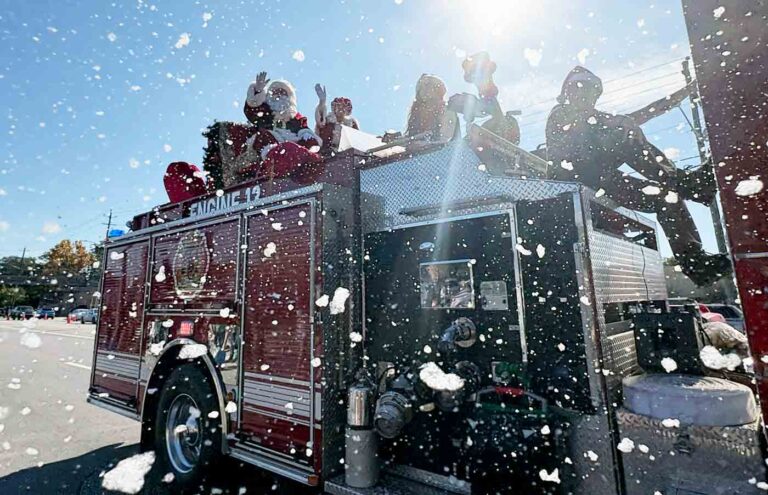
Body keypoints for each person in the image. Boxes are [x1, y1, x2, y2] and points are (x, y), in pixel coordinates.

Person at [546, 66, 730, 286]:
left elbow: (635, 118)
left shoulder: (603, 123)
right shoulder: (560, 114)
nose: (587, 97)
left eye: (592, 92)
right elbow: (620, 123)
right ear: (569, 93)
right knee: (623, 131)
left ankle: (696, 262)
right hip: (571, 184)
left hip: (601, 180)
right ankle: (687, 183)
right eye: (581, 90)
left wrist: (681, 95)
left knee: (666, 197)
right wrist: (628, 123)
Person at [242, 71, 323, 179]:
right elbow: (252, 111)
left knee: (308, 138)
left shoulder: (295, 118)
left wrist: (306, 134)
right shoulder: (266, 112)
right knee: (263, 137)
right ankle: (273, 157)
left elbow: (304, 128)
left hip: (295, 146)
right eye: (275, 93)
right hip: (274, 142)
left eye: (282, 93)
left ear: (289, 97)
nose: (278, 96)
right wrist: (258, 91)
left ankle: (309, 158)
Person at [404, 74, 459, 142]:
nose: (423, 89)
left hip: (441, 151)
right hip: (420, 152)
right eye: (420, 86)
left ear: (438, 88)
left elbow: (445, 139)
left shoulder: (447, 110)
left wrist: (422, 142)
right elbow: (412, 137)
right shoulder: (417, 114)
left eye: (427, 85)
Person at [314, 84, 360, 150]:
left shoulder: (351, 123)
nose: (340, 109)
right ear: (334, 108)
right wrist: (322, 101)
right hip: (326, 154)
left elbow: (358, 139)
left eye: (343, 107)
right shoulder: (327, 120)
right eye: (338, 106)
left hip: (345, 155)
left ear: (347, 110)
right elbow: (320, 120)